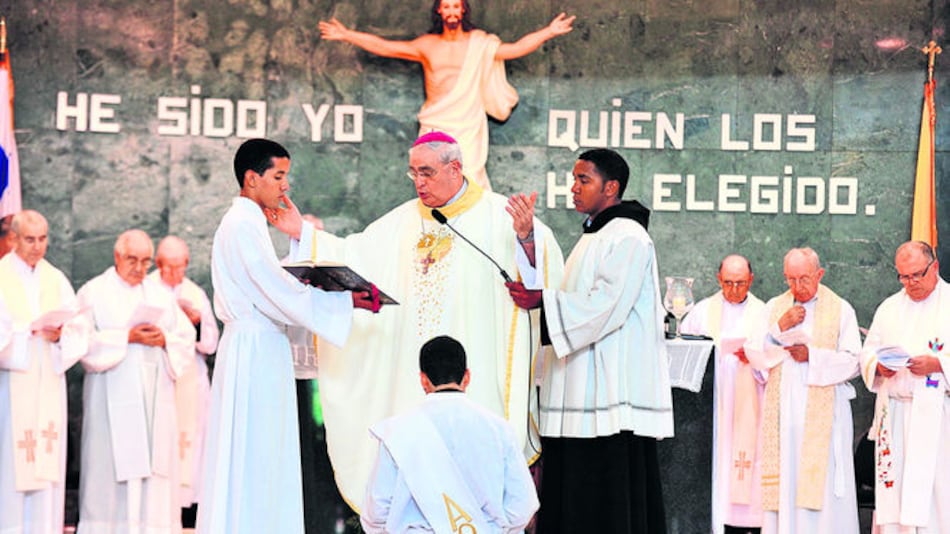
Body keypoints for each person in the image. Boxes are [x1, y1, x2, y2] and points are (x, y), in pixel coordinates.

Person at [298, 131, 563, 509]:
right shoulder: (402, 221)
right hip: (413, 378)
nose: (419, 183)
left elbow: (543, 284)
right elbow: (353, 253)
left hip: (477, 376)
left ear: (454, 168)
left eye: (426, 173)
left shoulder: (499, 216)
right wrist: (304, 237)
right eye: (413, 174)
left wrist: (526, 240)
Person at [197, 138, 377, 534]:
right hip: (254, 349)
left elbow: (271, 284)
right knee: (258, 449)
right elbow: (274, 291)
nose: (285, 186)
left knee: (261, 449)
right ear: (251, 178)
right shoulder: (243, 224)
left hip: (258, 345)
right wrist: (344, 304)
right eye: (278, 176)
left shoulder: (247, 222)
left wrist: (303, 248)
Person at [509, 148, 672, 533]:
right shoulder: (596, 235)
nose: (574, 188)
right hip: (580, 389)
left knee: (606, 502)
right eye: (574, 179)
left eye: (584, 180)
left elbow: (605, 305)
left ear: (611, 187)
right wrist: (528, 243)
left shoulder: (629, 236)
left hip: (607, 398)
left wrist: (542, 302)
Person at [318, 1, 575, 190]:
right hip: (436, 121)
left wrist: (549, 32)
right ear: (439, 11)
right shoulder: (428, 45)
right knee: (430, 178)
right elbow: (386, 47)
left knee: (470, 176)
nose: (451, 11)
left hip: (468, 121)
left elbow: (515, 49)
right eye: (446, 6)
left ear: (463, 10)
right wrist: (347, 35)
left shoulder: (479, 43)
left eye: (456, 6)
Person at [75, 229, 195, 533]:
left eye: (145, 261)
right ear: (117, 256)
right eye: (132, 260)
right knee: (108, 477)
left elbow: (186, 339)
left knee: (153, 482)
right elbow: (79, 342)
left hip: (154, 407)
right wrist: (125, 337)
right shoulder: (94, 292)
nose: (140, 268)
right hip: (109, 403)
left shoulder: (160, 296)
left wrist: (164, 339)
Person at [361, 335, 539, 533]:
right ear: (467, 376)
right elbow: (523, 505)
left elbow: (376, 512)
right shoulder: (499, 429)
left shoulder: (399, 432)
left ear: (423, 379)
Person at [749, 247, 860, 533]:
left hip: (827, 417)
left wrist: (812, 356)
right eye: (791, 279)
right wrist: (778, 328)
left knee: (822, 489)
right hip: (784, 416)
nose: (798, 287)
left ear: (819, 274)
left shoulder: (841, 308)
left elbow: (854, 361)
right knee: (787, 481)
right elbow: (754, 354)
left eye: (804, 279)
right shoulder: (775, 306)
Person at [0, 210, 85, 534]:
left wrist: (61, 334)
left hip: (48, 380)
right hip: (13, 382)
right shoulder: (1, 275)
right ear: (13, 239)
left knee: (46, 462)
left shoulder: (55, 279)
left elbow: (80, 328)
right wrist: (27, 332)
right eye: (30, 239)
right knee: (11, 463)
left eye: (43, 239)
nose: (38, 246)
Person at [860, 241, 950, 532]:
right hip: (895, 414)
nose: (910, 283)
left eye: (917, 275)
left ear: (934, 267)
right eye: (904, 276)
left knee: (936, 493)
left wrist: (938, 365)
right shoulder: (890, 307)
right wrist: (878, 366)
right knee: (894, 492)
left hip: (937, 416)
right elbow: (868, 351)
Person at [681, 254, 768, 534]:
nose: (733, 289)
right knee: (716, 461)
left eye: (740, 283)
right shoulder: (702, 312)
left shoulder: (764, 313)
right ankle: (713, 522)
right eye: (728, 283)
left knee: (745, 463)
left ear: (751, 280)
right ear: (718, 279)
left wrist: (753, 357)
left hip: (749, 403)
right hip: (711, 403)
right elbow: (687, 353)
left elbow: (774, 358)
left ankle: (745, 524)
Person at [149, 235, 220, 520]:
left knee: (194, 440)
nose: (175, 273)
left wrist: (198, 322)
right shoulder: (147, 288)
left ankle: (189, 508)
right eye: (169, 267)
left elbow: (212, 342)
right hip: (160, 379)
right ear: (158, 263)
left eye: (180, 267)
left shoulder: (195, 293)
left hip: (191, 379)